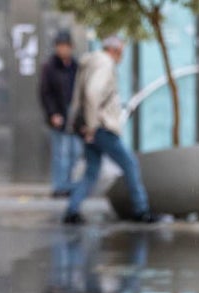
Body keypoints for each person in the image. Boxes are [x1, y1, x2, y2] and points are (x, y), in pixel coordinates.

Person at [63, 36, 156, 225]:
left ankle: (72, 210)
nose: (121, 57)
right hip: (101, 127)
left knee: (92, 170)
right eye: (121, 52)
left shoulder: (91, 62)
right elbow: (92, 93)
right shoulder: (105, 64)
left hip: (91, 127)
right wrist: (92, 126)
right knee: (130, 164)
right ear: (114, 50)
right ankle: (141, 210)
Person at [39, 31, 82, 198]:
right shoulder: (49, 67)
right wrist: (52, 114)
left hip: (74, 115)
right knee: (60, 153)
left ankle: (70, 185)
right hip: (59, 113)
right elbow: (45, 92)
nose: (63, 49)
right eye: (60, 46)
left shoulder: (76, 66)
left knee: (75, 152)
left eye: (65, 46)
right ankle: (59, 186)